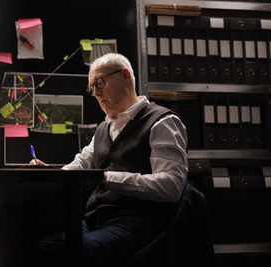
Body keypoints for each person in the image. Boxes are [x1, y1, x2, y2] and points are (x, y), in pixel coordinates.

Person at [29, 53, 188, 267]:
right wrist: (49, 172)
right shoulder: (105, 128)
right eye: (91, 88)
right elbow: (80, 165)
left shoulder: (162, 122)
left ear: (124, 76)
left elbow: (171, 185)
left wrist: (106, 177)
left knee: (77, 252)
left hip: (138, 219)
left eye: (99, 83)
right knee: (41, 246)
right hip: (96, 217)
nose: (95, 93)